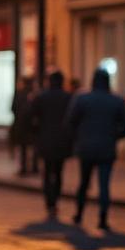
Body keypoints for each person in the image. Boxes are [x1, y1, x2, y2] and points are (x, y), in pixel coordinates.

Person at [66, 68, 125, 230]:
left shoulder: (82, 99)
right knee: (104, 185)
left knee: (84, 183)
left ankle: (79, 213)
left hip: (86, 147)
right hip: (106, 147)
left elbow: (70, 121)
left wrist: (79, 137)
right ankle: (103, 218)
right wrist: (116, 136)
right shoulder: (116, 101)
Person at [30, 71, 74, 218]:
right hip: (62, 141)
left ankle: (49, 202)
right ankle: (55, 200)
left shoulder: (41, 97)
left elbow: (31, 116)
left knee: (48, 172)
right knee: (59, 172)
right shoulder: (68, 97)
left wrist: (36, 133)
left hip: (45, 140)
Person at [11, 76, 38, 175]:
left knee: (23, 147)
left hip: (21, 124)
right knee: (34, 146)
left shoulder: (19, 94)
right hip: (33, 125)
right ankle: (34, 167)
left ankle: (24, 168)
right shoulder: (35, 94)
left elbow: (13, 108)